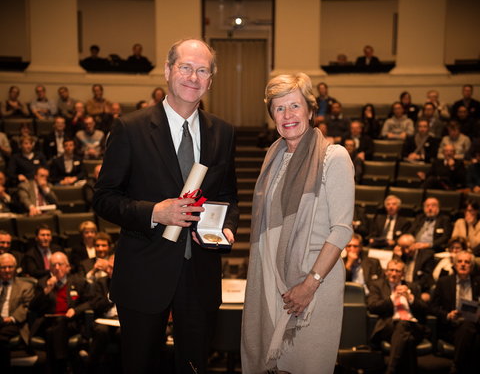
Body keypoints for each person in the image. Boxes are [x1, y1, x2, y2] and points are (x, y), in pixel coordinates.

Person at [93, 38, 239, 373]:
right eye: (186, 67)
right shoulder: (130, 128)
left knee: (194, 367)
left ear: (211, 80)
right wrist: (155, 212)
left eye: (203, 70)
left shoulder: (223, 133)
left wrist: (227, 225)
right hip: (144, 274)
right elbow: (103, 198)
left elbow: (229, 197)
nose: (193, 77)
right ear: (167, 70)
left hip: (200, 275)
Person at [241, 73, 354, 373]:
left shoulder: (334, 157)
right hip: (275, 286)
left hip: (316, 286)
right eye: (279, 108)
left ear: (310, 110)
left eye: (294, 106)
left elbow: (341, 230)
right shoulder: (272, 158)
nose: (287, 115)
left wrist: (309, 285)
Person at [29, 251, 93, 374]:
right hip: (48, 322)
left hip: (70, 323)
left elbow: (91, 302)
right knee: (53, 327)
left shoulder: (78, 282)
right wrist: (47, 290)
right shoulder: (43, 283)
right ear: (49, 268)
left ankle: (56, 368)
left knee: (53, 330)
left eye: (60, 264)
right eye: (53, 265)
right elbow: (32, 307)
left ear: (67, 267)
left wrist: (75, 309)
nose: (57, 268)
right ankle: (64, 365)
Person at [367, 258, 429, 374]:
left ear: (403, 274)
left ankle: (391, 370)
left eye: (398, 271)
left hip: (414, 326)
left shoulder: (412, 287)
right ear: (386, 272)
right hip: (389, 326)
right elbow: (373, 306)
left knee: (406, 333)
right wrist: (392, 297)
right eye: (391, 270)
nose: (394, 273)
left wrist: (410, 298)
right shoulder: (377, 286)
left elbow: (425, 310)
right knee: (405, 330)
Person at [430, 250, 480, 374]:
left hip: (474, 325)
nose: (463, 264)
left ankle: (456, 366)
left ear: (472, 266)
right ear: (455, 264)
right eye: (460, 261)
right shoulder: (444, 282)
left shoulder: (478, 283)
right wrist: (447, 315)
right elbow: (432, 307)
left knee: (470, 329)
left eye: (467, 262)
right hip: (450, 328)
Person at [0, 253, 35, 370]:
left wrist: (11, 318)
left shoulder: (25, 285)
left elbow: (27, 306)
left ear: (15, 268)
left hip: (14, 323)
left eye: (10, 267)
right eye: (3, 267)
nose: (7, 270)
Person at [392, 234, 435, 300]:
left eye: (408, 247)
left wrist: (410, 287)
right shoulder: (401, 255)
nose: (406, 251)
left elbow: (426, 279)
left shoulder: (427, 256)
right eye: (403, 248)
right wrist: (397, 257)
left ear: (415, 244)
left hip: (419, 288)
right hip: (401, 286)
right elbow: (394, 273)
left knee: (425, 297)